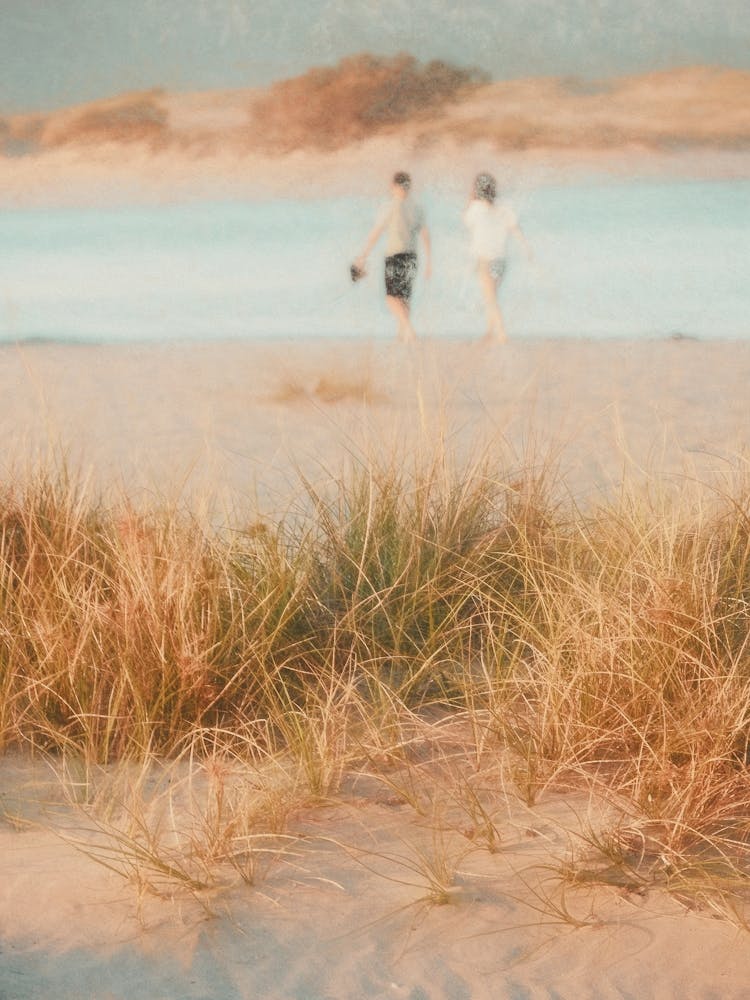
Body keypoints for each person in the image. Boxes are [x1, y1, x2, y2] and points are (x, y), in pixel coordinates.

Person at [355, 172, 431, 343]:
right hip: (412, 256)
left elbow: (377, 232)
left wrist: (363, 255)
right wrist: (429, 262)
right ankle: (402, 334)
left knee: (391, 298)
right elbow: (425, 234)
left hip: (395, 254)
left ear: (395, 186)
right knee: (404, 296)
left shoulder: (390, 206)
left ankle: (409, 330)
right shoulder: (417, 208)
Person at [463, 172, 531, 343]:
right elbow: (516, 230)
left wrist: (470, 200)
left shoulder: (476, 208)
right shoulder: (504, 209)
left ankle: (501, 332)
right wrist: (527, 249)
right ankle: (490, 331)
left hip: (485, 259)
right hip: (500, 260)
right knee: (491, 295)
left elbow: (466, 222)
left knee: (490, 297)